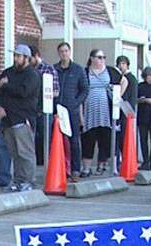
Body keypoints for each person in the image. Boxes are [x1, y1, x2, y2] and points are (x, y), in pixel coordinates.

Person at [0, 44, 40, 192]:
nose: (16, 59)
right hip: (7, 119)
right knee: (14, 152)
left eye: (19, 56)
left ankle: (29, 181)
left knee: (25, 152)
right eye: (15, 55)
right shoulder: (8, 72)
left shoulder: (32, 75)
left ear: (26, 58)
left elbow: (23, 92)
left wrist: (7, 85)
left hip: (23, 117)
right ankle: (18, 180)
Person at [81, 49, 126, 177]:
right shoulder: (85, 72)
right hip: (89, 111)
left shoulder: (110, 71)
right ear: (92, 58)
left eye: (103, 57)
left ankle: (102, 165)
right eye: (99, 57)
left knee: (104, 139)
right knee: (88, 139)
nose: (102, 60)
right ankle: (86, 168)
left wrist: (118, 97)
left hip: (106, 112)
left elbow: (124, 81)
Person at [54, 42, 88, 181]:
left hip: (71, 110)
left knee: (74, 140)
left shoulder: (78, 70)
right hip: (57, 110)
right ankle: (60, 168)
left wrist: (76, 103)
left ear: (70, 52)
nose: (64, 53)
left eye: (66, 51)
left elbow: (85, 89)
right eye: (61, 51)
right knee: (57, 140)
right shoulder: (54, 69)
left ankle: (75, 170)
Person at [29, 45, 59, 166]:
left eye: (30, 58)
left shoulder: (48, 69)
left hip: (44, 110)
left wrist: (43, 94)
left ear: (36, 56)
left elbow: (56, 91)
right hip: (31, 109)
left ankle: (46, 165)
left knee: (45, 139)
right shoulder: (28, 70)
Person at [115, 55, 137, 168]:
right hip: (119, 111)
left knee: (125, 137)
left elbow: (130, 97)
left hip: (126, 111)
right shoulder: (119, 77)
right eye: (119, 64)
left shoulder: (131, 78)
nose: (121, 66)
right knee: (118, 138)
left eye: (123, 63)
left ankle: (125, 161)